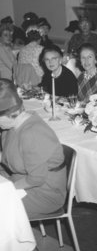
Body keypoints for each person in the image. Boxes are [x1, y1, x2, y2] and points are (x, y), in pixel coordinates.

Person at [0, 79, 67, 219]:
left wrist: (7, 189)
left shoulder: (32, 133)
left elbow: (36, 179)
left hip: (44, 193)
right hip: (21, 179)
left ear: (10, 114)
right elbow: (9, 156)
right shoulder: (10, 127)